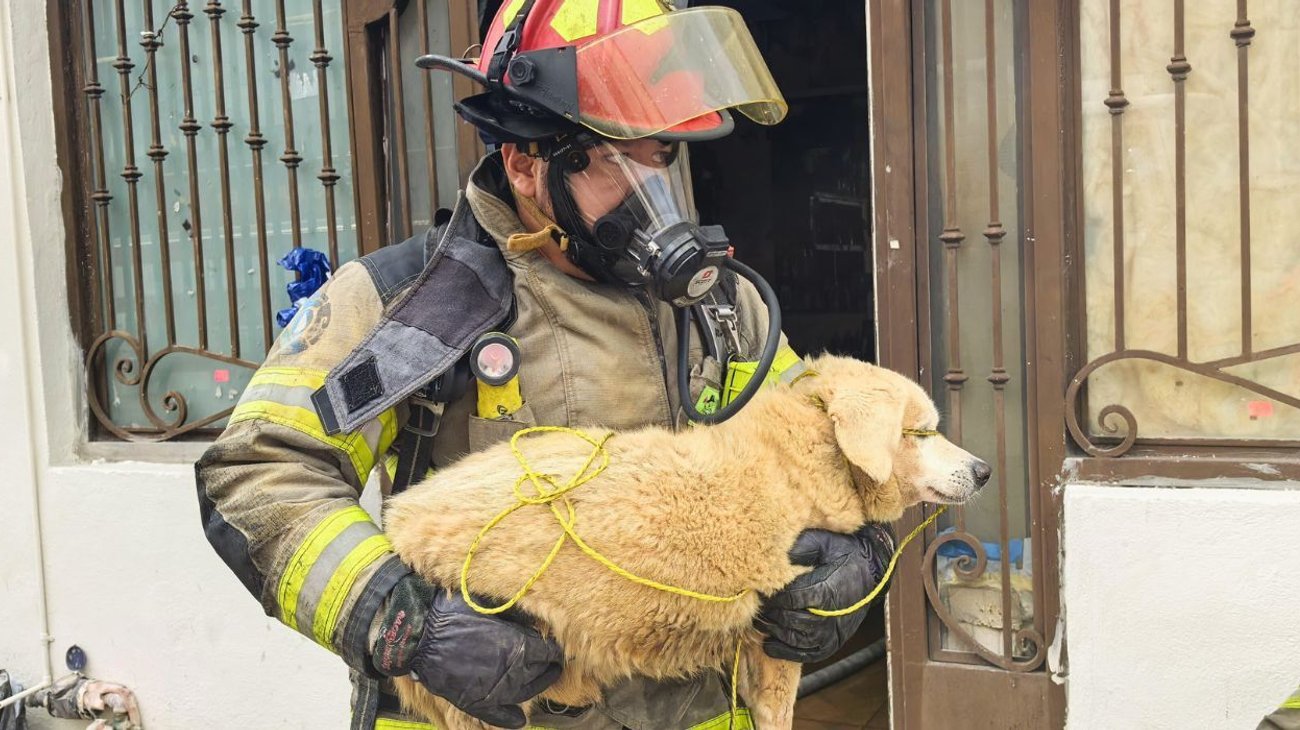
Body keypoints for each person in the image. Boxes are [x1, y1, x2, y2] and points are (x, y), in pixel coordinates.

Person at [195, 1, 895, 727]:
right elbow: (257, 473)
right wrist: (401, 623)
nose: (655, 199)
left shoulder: (724, 311)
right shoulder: (408, 306)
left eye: (661, 160)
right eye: (618, 163)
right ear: (526, 166)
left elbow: (835, 451)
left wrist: (861, 560)